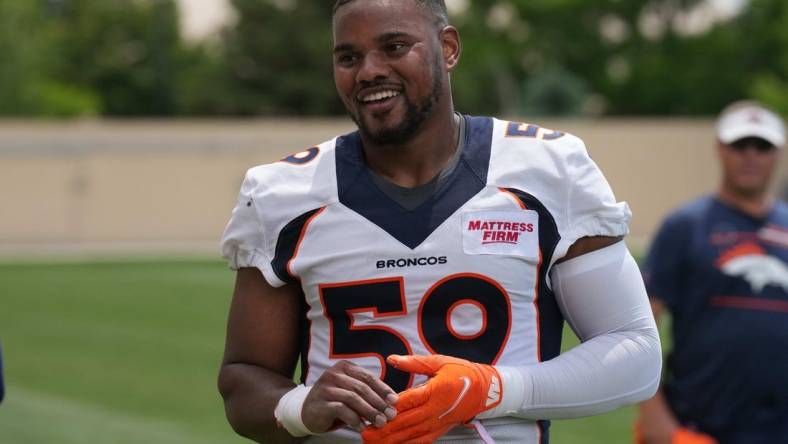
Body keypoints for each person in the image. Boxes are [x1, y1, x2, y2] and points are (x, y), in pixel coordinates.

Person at [218, 1, 661, 443]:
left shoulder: (548, 169)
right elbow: (244, 379)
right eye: (348, 57)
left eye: (394, 46)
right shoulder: (283, 194)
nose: (369, 71)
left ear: (448, 48)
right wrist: (299, 406)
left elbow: (634, 354)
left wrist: (492, 390)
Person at [637, 101, 788, 444]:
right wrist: (658, 422)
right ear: (720, 149)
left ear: (778, 153)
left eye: (762, 146)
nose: (751, 156)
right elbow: (639, 327)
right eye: (740, 145)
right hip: (700, 425)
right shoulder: (686, 226)